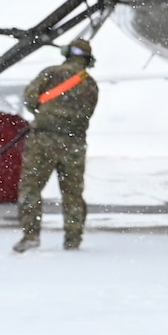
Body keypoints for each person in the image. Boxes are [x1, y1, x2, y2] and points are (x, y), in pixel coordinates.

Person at [13, 37, 99, 253]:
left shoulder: (51, 73)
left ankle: (30, 235)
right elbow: (87, 113)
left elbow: (30, 98)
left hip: (43, 139)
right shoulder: (90, 84)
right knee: (72, 193)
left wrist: (44, 114)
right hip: (74, 143)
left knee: (31, 188)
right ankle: (73, 239)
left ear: (67, 53)